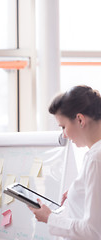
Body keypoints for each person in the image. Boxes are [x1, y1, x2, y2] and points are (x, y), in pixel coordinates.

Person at [29, 85, 101, 239]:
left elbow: (93, 231)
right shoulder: (94, 155)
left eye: (63, 127)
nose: (64, 135)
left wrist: (50, 218)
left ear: (80, 119)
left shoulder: (96, 158)